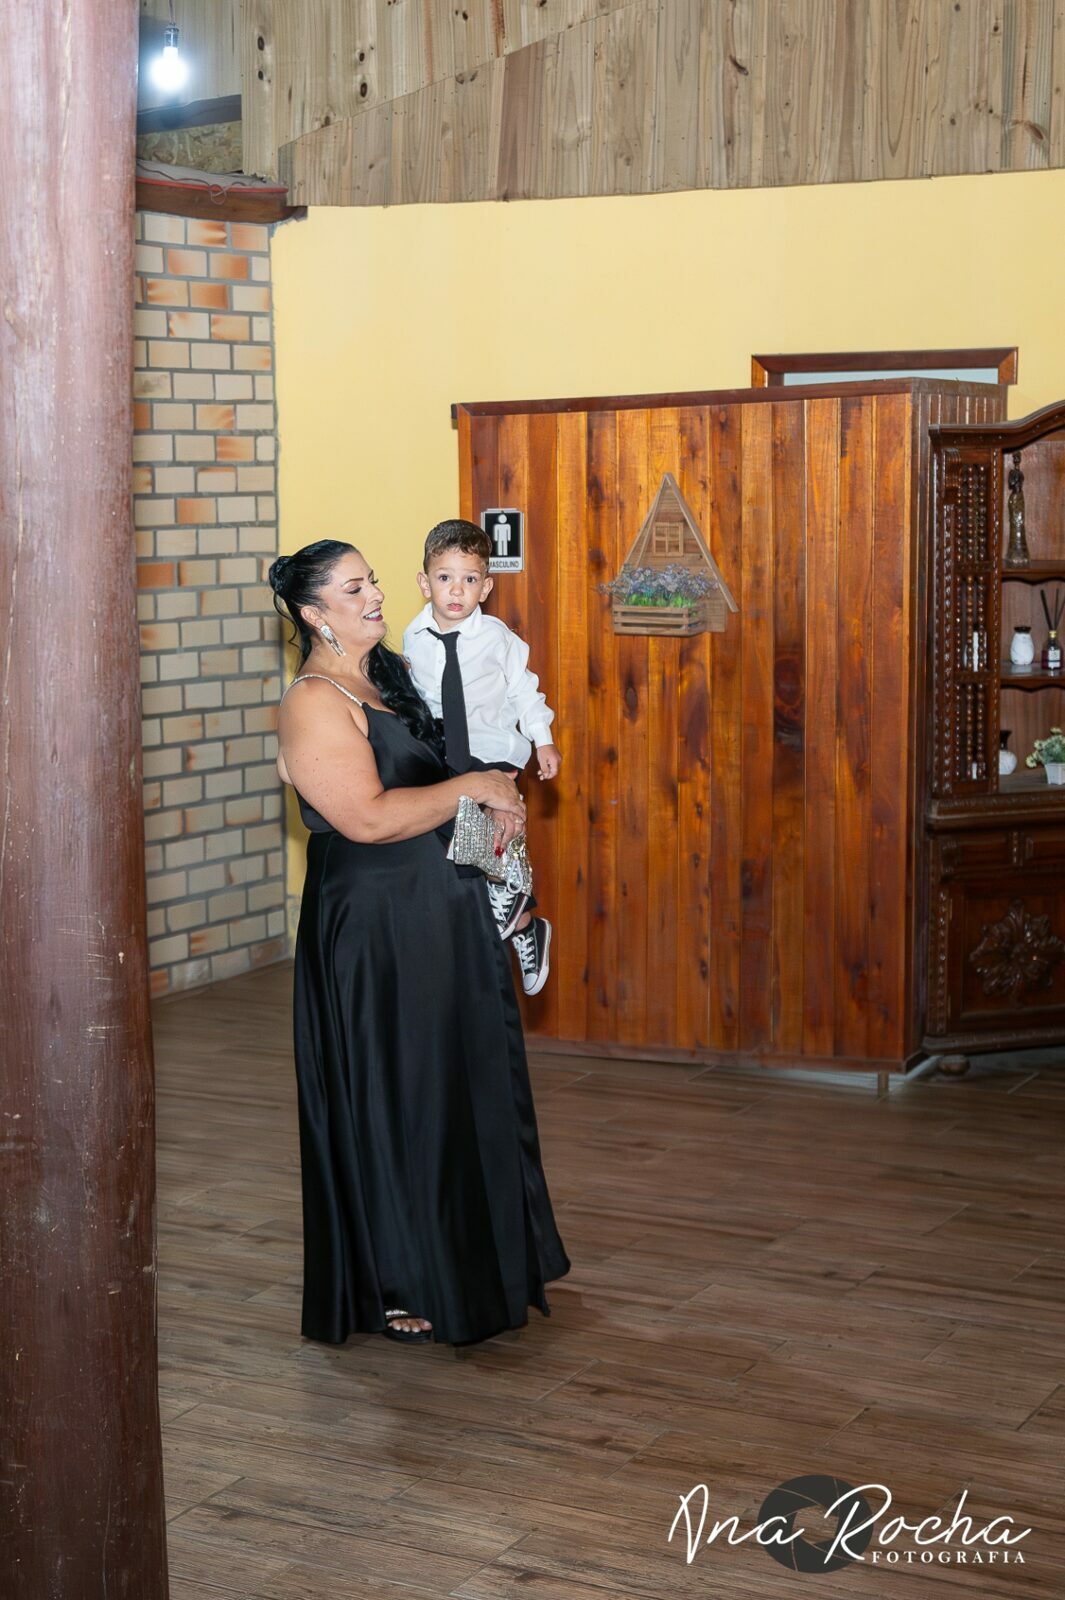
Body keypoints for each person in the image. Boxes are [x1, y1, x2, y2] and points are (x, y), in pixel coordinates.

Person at [269, 539, 570, 1346]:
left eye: (371, 581)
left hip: (442, 910)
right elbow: (365, 819)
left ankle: (480, 1259)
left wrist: (494, 806)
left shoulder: (392, 673)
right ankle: (401, 1277)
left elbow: (443, 777)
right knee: (402, 1093)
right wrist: (470, 786)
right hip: (378, 928)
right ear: (314, 613)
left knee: (459, 1086)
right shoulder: (313, 700)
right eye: (353, 588)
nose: (373, 595)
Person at [403, 519, 561, 996]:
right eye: (445, 577)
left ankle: (515, 907)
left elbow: (525, 691)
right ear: (424, 582)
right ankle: (523, 921)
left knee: (496, 826)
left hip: (492, 751)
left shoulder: (497, 638)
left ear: (486, 587)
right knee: (463, 839)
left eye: (469, 579)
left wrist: (543, 740)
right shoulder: (413, 637)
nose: (456, 590)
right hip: (444, 752)